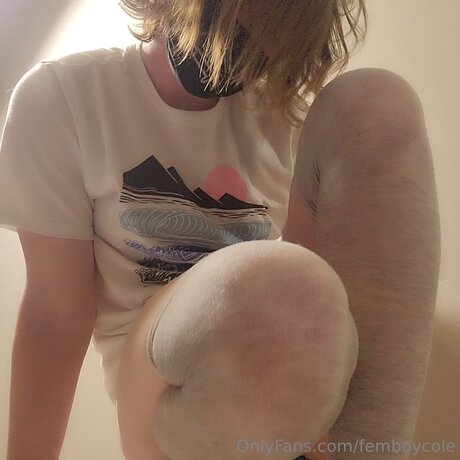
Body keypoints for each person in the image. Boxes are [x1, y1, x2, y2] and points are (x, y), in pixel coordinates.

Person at [1, 1, 441, 459]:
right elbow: (56, 315)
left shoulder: (287, 124)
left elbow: (322, 313)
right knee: (285, 283)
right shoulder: (64, 98)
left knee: (376, 101)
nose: (246, 33)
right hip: (162, 391)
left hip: (287, 384)